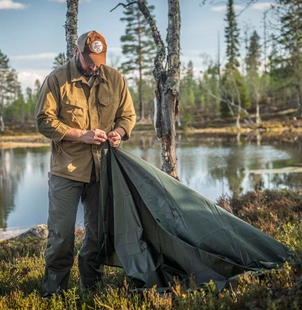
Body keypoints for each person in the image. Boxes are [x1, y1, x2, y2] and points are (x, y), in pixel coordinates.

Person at [35, 30, 136, 297]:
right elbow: (43, 121)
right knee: (61, 236)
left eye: (99, 59)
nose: (94, 65)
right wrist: (82, 135)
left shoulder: (115, 79)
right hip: (66, 171)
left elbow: (127, 116)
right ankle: (54, 294)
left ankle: (91, 289)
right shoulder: (57, 80)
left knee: (97, 235)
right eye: (89, 58)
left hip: (102, 170)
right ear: (77, 52)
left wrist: (119, 133)